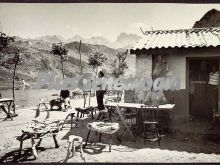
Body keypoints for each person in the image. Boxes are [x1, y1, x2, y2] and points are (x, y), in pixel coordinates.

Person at [208, 64, 219, 130]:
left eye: (214, 67)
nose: (213, 68)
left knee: (214, 101)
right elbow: (209, 80)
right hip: (210, 87)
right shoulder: (211, 73)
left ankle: (214, 118)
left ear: (216, 68)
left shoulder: (218, 73)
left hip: (214, 88)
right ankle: (213, 115)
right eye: (212, 67)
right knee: (210, 101)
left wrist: (216, 87)